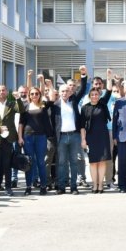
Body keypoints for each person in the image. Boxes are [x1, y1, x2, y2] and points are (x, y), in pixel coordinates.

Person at [51, 66, 88, 195]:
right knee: (61, 163)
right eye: (62, 91)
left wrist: (83, 75)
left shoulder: (74, 101)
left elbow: (83, 89)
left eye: (67, 91)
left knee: (74, 162)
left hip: (74, 136)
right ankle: (61, 187)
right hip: (61, 137)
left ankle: (73, 187)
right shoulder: (55, 105)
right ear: (59, 92)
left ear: (70, 92)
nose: (65, 93)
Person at [0, 85, 25, 197]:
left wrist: (18, 98)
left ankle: (8, 187)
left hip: (8, 139)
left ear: (7, 92)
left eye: (3, 90)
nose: (1, 92)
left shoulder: (12, 104)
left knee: (7, 164)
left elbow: (21, 110)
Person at [18, 85, 54, 196]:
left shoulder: (43, 105)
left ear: (40, 95)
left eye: (36, 93)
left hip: (41, 137)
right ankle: (28, 187)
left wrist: (49, 85)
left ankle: (43, 186)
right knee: (29, 162)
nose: (34, 95)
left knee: (41, 162)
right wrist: (20, 137)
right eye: (32, 94)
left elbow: (52, 99)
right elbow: (21, 123)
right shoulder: (25, 106)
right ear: (29, 95)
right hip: (27, 137)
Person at [81, 87, 112, 193]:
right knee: (93, 162)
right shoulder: (85, 108)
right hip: (91, 137)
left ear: (99, 96)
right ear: (89, 96)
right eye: (92, 94)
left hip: (103, 136)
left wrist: (109, 78)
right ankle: (94, 185)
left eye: (96, 94)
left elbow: (109, 91)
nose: (94, 96)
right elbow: (82, 126)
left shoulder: (103, 104)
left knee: (102, 161)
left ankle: (101, 185)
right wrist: (83, 140)